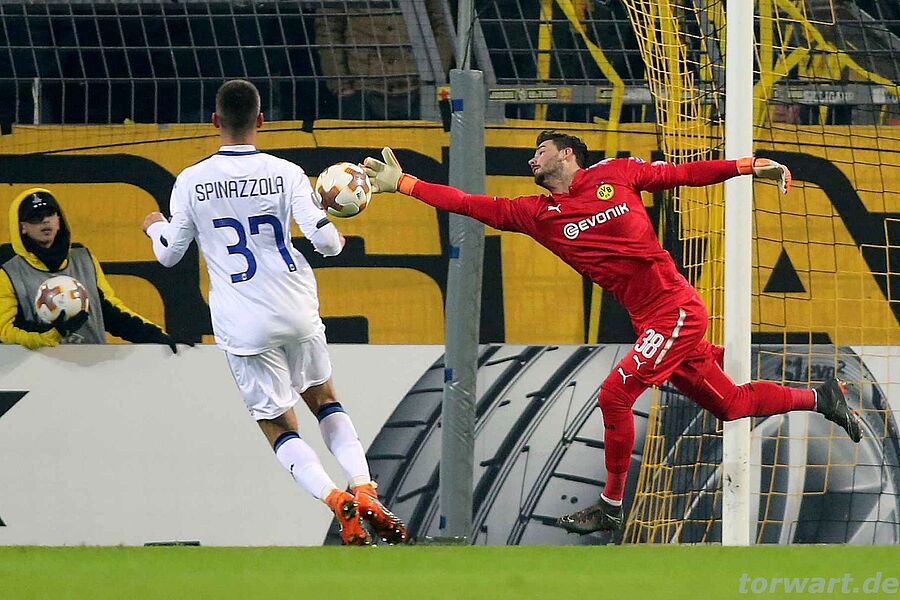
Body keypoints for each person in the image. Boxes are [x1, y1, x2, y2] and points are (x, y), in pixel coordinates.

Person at [362, 132, 863, 535]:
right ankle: (822, 397)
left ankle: (611, 505)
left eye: (541, 150)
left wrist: (749, 165)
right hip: (650, 321)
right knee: (730, 405)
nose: (533, 158)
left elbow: (684, 174)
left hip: (675, 308)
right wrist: (403, 183)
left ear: (567, 154)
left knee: (614, 394)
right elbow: (468, 203)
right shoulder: (536, 214)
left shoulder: (616, 174)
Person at [141, 79, 407, 546]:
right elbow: (326, 243)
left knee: (279, 425)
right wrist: (338, 233)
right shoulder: (285, 173)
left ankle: (335, 499)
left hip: (242, 321)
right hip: (295, 305)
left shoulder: (191, 181)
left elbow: (169, 254)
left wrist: (154, 227)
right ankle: (364, 486)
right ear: (261, 121)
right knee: (325, 400)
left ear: (215, 121)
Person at [0, 188, 182, 351]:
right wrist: (53, 333)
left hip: (93, 366)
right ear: (22, 227)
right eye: (35, 217)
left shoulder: (84, 260)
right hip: (40, 370)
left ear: (59, 220)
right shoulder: (9, 273)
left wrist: (156, 335)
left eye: (50, 214)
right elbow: (5, 331)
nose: (45, 220)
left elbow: (110, 311)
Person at [314, 1, 452, 120]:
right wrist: (341, 84)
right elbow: (328, 27)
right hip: (360, 87)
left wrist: (435, 77)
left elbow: (443, 25)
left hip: (418, 85)